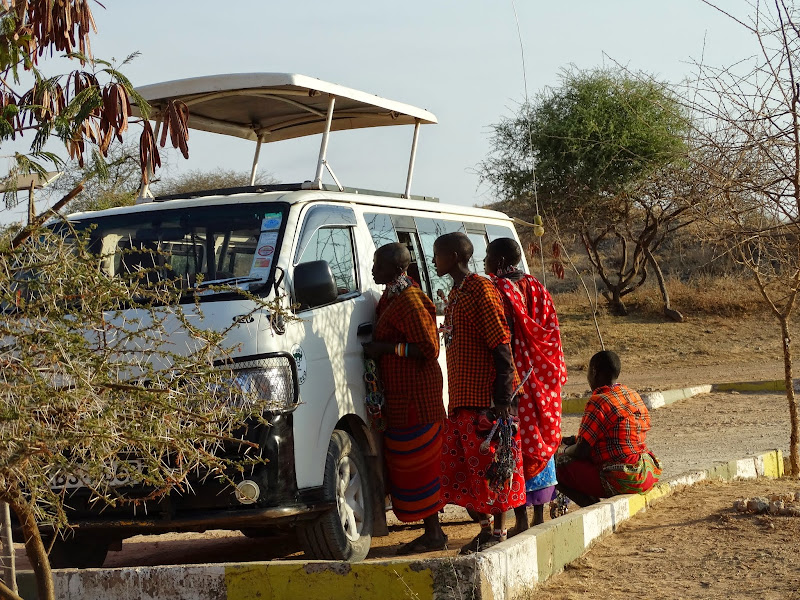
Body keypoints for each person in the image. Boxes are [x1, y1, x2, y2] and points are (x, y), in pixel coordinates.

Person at [433, 232, 526, 554]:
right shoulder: (458, 292)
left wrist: (501, 400)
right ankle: (486, 530)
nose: (433, 261)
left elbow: (501, 346)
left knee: (493, 469)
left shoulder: (480, 288)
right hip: (461, 400)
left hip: (485, 402)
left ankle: (498, 532)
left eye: (438, 255)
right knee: (467, 475)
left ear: (456, 255)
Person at [362, 242, 448, 554]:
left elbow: (428, 348)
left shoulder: (409, 300)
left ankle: (435, 533)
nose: (373, 270)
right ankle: (434, 531)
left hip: (416, 398)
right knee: (413, 466)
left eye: (378, 265)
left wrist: (385, 349)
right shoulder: (392, 296)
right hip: (403, 397)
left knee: (421, 467)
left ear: (397, 269)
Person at [484, 238, 567, 531]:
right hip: (543, 376)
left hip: (515, 380)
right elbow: (552, 333)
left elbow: (500, 338)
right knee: (540, 440)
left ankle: (519, 520)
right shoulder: (539, 288)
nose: (484, 263)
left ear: (501, 261)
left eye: (488, 257)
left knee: (515, 445)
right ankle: (539, 516)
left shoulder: (500, 291)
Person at [556, 350, 662, 507]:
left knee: (555, 466)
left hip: (624, 478)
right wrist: (573, 440)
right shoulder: (632, 395)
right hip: (646, 473)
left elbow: (581, 451)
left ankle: (590, 507)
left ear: (594, 371)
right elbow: (613, 435)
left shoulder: (598, 401)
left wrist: (562, 450)